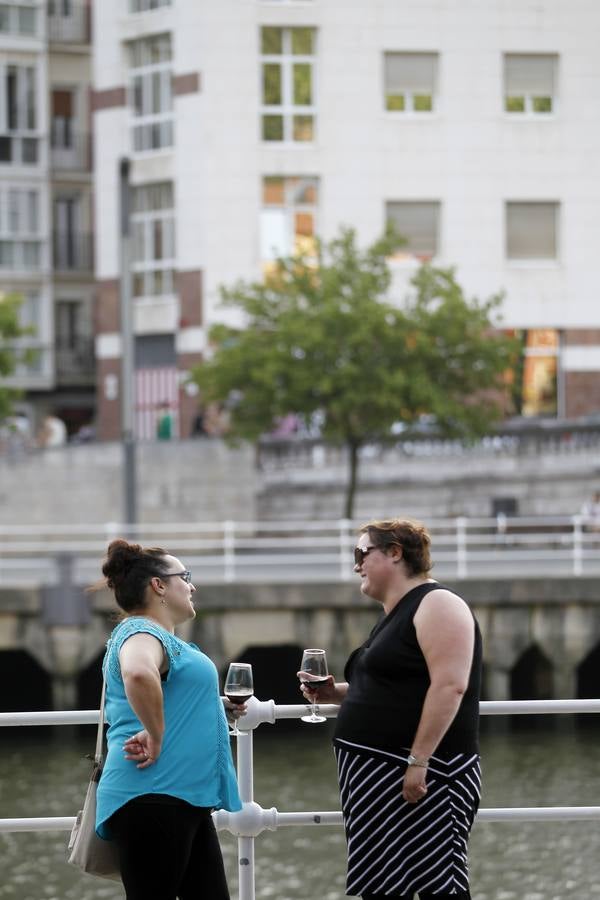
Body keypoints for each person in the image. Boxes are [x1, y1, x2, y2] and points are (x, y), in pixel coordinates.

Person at [299, 518, 482, 900]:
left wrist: (419, 761)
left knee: (439, 885)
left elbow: (450, 685)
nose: (356, 566)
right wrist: (337, 693)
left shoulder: (438, 603)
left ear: (395, 552)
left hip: (421, 778)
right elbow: (392, 688)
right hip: (379, 779)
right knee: (383, 887)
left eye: (361, 553)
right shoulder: (395, 615)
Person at [95, 539, 242, 899]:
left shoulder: (160, 637)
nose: (191, 586)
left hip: (180, 798)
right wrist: (155, 735)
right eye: (184, 576)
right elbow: (139, 674)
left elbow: (167, 691)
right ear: (158, 585)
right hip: (153, 795)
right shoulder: (139, 632)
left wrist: (215, 712)